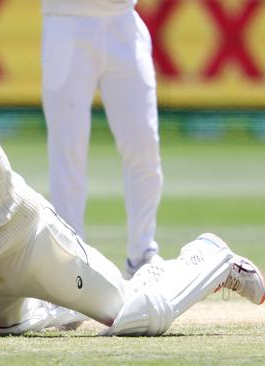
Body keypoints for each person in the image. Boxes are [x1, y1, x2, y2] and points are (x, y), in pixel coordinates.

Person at [0, 34, 265, 339]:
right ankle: (59, 304)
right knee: (10, 329)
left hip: (31, 245)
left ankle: (209, 258)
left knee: (136, 317)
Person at [41, 0, 164, 278]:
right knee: (68, 151)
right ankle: (71, 266)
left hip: (123, 21)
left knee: (143, 144)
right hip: (66, 23)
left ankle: (142, 256)